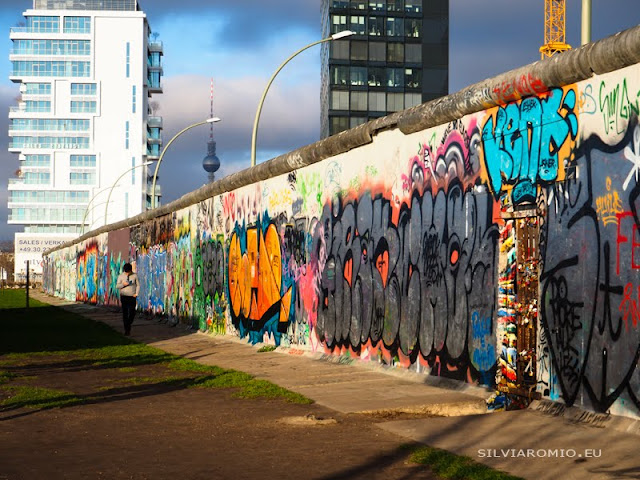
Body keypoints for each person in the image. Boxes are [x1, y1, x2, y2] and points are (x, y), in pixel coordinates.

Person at [116, 263, 140, 335]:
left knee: (132, 312)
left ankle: (129, 322)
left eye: (128, 272)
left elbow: (138, 285)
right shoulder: (121, 276)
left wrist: (136, 293)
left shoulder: (134, 276)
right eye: (126, 272)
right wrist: (123, 284)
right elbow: (117, 286)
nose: (127, 274)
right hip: (124, 296)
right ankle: (127, 329)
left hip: (132, 296)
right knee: (125, 313)